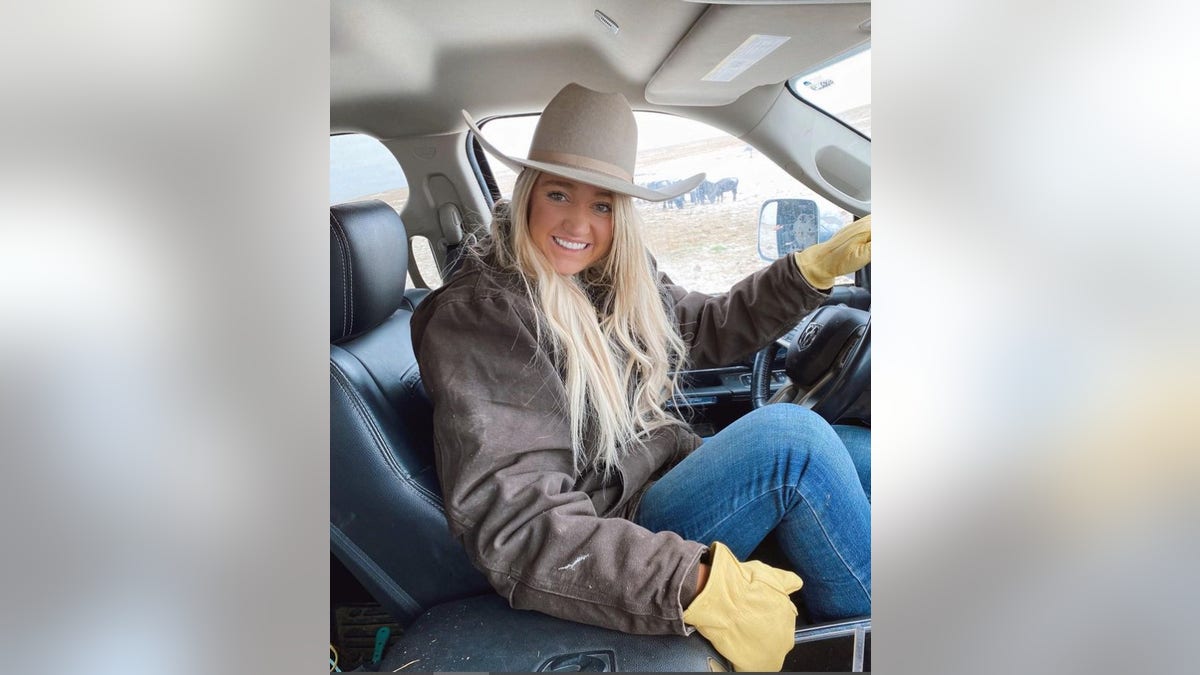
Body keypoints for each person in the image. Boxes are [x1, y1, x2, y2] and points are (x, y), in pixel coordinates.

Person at [411, 83, 871, 672]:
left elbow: (700, 328)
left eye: (603, 204)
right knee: (794, 444)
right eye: (559, 194)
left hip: (652, 479)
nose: (579, 221)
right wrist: (694, 583)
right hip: (608, 523)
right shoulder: (484, 317)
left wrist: (805, 274)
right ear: (527, 193)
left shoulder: (604, 276)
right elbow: (522, 524)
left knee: (859, 449)